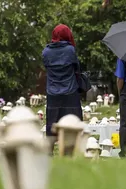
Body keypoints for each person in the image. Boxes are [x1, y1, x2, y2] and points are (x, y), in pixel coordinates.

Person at [42, 24, 83, 154]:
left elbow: (46, 68)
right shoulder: (70, 50)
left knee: (52, 124)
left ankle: (49, 152)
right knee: (74, 123)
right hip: (70, 92)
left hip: (53, 92)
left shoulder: (46, 52)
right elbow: (77, 69)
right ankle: (74, 151)